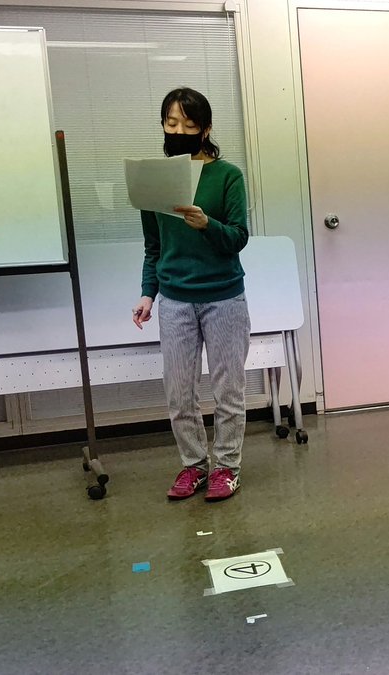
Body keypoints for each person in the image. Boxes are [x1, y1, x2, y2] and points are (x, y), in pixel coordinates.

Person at [132, 87, 251, 503]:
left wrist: (207, 225)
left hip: (224, 298)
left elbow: (238, 237)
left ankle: (227, 467)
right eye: (171, 123)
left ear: (206, 128)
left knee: (228, 391)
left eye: (188, 123)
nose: (178, 130)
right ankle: (194, 466)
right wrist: (148, 294)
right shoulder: (154, 180)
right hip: (175, 301)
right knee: (179, 393)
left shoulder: (228, 176)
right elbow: (154, 247)